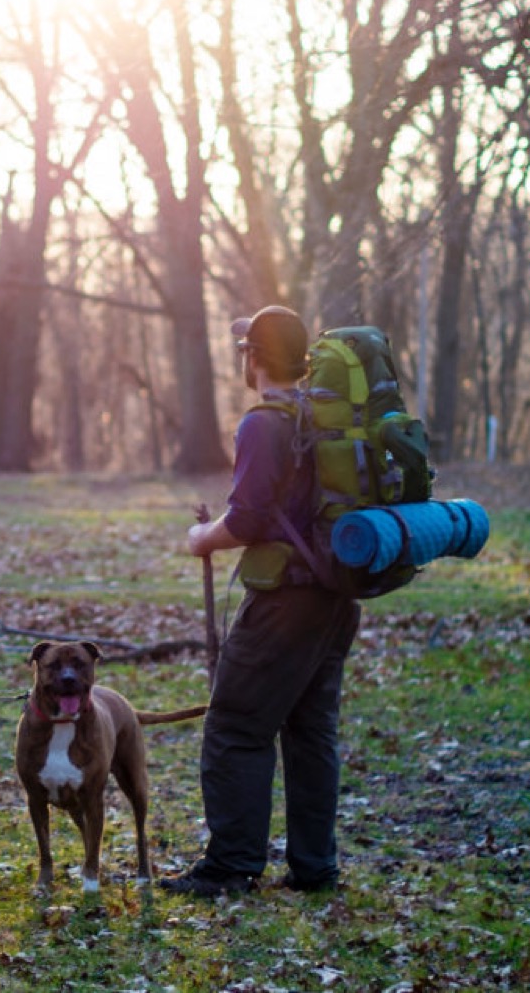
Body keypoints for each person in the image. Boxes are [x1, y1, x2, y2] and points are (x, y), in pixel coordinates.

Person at [160, 305, 361, 898]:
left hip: (285, 602)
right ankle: (314, 867)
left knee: (235, 726)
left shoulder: (263, 423)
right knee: (310, 731)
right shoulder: (321, 417)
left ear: (253, 355)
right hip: (336, 596)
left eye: (243, 350)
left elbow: (246, 520)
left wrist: (202, 538)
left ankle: (231, 867)